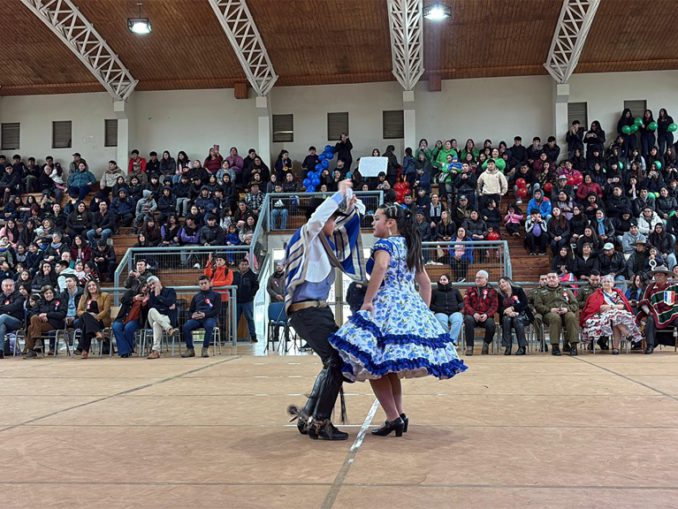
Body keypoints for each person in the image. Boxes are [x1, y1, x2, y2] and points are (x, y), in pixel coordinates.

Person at [329, 203, 466, 437]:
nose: (373, 222)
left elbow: (381, 267)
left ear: (390, 223)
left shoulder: (385, 244)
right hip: (409, 304)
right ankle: (398, 415)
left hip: (387, 304)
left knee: (373, 363)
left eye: (377, 218)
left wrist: (368, 300)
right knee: (388, 365)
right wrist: (421, 313)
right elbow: (425, 283)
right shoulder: (410, 245)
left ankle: (394, 418)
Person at [285, 181, 365, 441]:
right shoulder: (308, 233)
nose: (335, 224)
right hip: (307, 312)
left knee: (332, 362)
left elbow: (348, 222)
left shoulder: (323, 244)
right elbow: (319, 217)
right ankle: (320, 421)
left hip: (316, 312)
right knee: (337, 362)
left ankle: (309, 414)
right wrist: (340, 194)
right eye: (332, 219)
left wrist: (350, 203)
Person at [580, 274, 642, 354]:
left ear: (612, 284)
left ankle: (616, 348)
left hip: (617, 316)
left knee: (615, 319)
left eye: (608, 282)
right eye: (604, 282)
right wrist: (609, 308)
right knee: (614, 317)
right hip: (602, 317)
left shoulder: (617, 294)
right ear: (602, 284)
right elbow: (598, 308)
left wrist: (610, 306)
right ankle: (626, 334)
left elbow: (622, 306)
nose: (606, 283)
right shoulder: (597, 294)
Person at [533, 273, 579, 356]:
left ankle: (573, 346)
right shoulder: (540, 292)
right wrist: (550, 310)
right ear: (547, 280)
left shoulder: (566, 290)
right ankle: (555, 346)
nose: (551, 279)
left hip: (565, 312)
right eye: (549, 277)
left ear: (558, 279)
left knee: (571, 316)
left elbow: (575, 304)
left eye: (553, 277)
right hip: (549, 314)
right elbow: (538, 306)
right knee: (555, 318)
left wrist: (567, 309)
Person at [638, 265, 678, 354]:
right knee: (650, 320)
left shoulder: (672, 287)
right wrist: (649, 312)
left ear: (666, 277)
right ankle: (650, 346)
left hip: (670, 313)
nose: (658, 277)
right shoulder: (650, 287)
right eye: (656, 275)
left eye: (660, 275)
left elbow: (674, 303)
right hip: (655, 313)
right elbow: (644, 302)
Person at [182, 276, 221, 358]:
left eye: (205, 283)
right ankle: (190, 349)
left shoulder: (216, 295)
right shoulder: (196, 296)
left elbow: (217, 311)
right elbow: (190, 311)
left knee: (209, 326)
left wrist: (205, 315)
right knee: (186, 326)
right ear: (199, 285)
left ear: (209, 283)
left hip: (210, 318)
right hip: (197, 319)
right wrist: (192, 315)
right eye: (201, 284)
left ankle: (205, 349)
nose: (203, 285)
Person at [23, 286, 66, 358]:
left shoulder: (60, 301)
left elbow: (62, 314)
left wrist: (47, 315)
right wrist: (40, 316)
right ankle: (37, 341)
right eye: (46, 293)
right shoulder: (39, 302)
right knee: (33, 320)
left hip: (54, 324)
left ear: (53, 293)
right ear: (43, 294)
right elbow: (32, 313)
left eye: (50, 293)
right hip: (41, 324)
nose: (49, 295)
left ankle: (32, 349)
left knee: (31, 328)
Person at [463, 270, 499, 355]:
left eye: (480, 278)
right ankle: (469, 347)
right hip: (473, 316)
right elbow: (466, 304)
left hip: (486, 316)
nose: (477, 279)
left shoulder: (492, 291)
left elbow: (494, 306)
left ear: (486, 279)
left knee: (491, 324)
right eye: (476, 278)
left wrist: (487, 314)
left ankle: (486, 344)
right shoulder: (469, 290)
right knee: (468, 320)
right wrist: (474, 313)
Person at [74, 281, 112, 359]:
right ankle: (97, 333)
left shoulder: (105, 295)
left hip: (100, 320)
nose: (91, 287)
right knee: (86, 315)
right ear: (87, 288)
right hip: (85, 319)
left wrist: (96, 317)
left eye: (93, 285)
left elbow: (106, 310)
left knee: (87, 326)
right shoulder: (83, 297)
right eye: (89, 286)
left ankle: (83, 349)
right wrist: (89, 315)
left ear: (97, 286)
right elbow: (78, 311)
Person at [112, 282, 149, 358]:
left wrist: (144, 304)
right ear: (140, 287)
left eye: (147, 287)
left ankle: (124, 352)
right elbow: (123, 300)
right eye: (144, 286)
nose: (145, 288)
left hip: (136, 320)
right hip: (122, 318)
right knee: (116, 327)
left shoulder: (148, 298)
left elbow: (145, 315)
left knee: (128, 327)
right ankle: (127, 350)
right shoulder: (131, 292)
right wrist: (134, 298)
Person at [497, 277, 532, 355]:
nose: (501, 284)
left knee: (517, 320)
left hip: (522, 315)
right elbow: (498, 308)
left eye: (503, 282)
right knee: (506, 319)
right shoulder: (499, 295)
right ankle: (508, 347)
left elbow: (524, 303)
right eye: (499, 283)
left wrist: (513, 308)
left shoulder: (518, 290)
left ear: (509, 282)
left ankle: (522, 347)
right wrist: (507, 312)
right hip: (507, 316)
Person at [145, 276, 177, 359]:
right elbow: (152, 307)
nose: (152, 286)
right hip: (154, 318)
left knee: (156, 324)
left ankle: (156, 351)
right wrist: (165, 307)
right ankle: (169, 329)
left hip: (167, 318)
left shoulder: (170, 291)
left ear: (159, 282)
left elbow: (170, 302)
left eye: (153, 283)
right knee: (152, 310)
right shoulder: (151, 295)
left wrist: (158, 296)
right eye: (150, 285)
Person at [430, 274, 463, 345]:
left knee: (458, 319)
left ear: (448, 281)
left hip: (454, 312)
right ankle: (447, 340)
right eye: (441, 280)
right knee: (441, 321)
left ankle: (451, 341)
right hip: (440, 312)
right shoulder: (434, 291)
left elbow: (461, 302)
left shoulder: (455, 291)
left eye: (444, 279)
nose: (442, 281)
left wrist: (459, 307)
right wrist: (436, 308)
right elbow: (430, 304)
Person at [233, 259, 259, 343]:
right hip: (236, 301)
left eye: (245, 264)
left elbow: (256, 286)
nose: (244, 266)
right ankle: (233, 337)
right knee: (235, 319)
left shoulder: (252, 275)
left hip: (248, 301)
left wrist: (251, 294)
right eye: (242, 264)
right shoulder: (234, 274)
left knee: (250, 318)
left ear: (248, 265)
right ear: (239, 265)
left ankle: (253, 336)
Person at [0, 279, 25, 358]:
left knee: (3, 316)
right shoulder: (1, 297)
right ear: (2, 287)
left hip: (16, 322)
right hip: (3, 323)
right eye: (6, 286)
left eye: (10, 285)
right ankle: (0, 351)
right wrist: (6, 308)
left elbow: (14, 307)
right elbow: (10, 307)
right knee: (1, 327)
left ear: (14, 286)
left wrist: (1, 307)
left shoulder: (19, 296)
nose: (8, 287)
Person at [528, 274, 548, 351]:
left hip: (550, 312)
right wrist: (532, 308)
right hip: (539, 312)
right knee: (536, 319)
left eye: (546, 279)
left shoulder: (552, 290)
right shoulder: (534, 291)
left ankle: (564, 343)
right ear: (539, 281)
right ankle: (542, 342)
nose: (544, 281)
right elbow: (528, 303)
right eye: (542, 279)